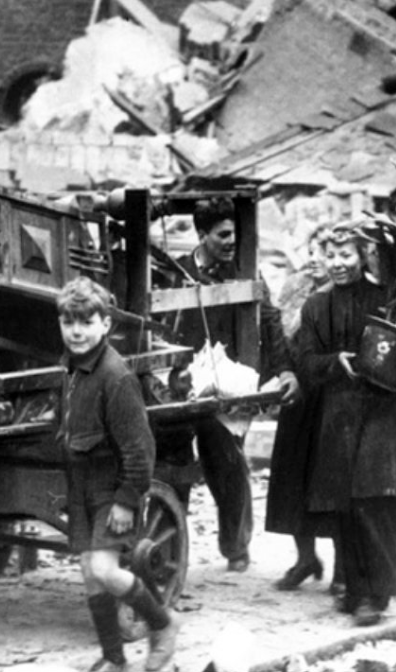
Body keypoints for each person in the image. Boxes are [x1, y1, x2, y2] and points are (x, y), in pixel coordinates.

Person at [295, 224, 396, 626]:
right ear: (320, 258)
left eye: (347, 255)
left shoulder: (389, 299)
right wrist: (332, 362)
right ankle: (358, 590)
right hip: (339, 412)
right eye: (331, 255)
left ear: (363, 256)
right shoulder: (315, 307)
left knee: (378, 500)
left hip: (384, 410)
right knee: (347, 506)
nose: (338, 264)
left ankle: (378, 593)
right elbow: (304, 360)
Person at [57, 277, 178, 672]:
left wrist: (127, 499)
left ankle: (163, 622)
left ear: (105, 324)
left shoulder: (116, 376)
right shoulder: (72, 368)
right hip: (83, 486)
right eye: (68, 321)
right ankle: (114, 659)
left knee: (105, 571)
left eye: (86, 322)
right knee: (90, 576)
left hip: (112, 487)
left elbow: (140, 450)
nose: (76, 331)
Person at [171, 198, 299, 572]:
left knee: (227, 463)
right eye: (223, 234)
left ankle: (236, 545)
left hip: (227, 384)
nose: (232, 241)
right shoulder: (176, 272)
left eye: (237, 234)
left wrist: (285, 369)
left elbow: (270, 320)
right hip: (181, 383)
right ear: (201, 235)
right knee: (173, 463)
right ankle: (171, 550)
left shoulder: (246, 272)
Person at [266, 223, 343, 592]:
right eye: (313, 250)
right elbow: (278, 335)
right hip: (300, 393)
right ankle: (305, 557)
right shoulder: (296, 286)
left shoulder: (345, 296)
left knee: (332, 479)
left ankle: (344, 565)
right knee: (294, 477)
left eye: (326, 252)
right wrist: (284, 372)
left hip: (333, 397)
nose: (316, 259)